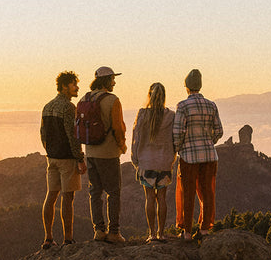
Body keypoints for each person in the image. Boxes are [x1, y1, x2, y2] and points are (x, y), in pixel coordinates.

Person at [173, 69, 223, 240]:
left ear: (186, 87)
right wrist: (209, 141)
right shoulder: (212, 105)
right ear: (200, 86)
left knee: (187, 193)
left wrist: (180, 148)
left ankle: (186, 231)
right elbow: (219, 131)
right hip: (209, 156)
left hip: (188, 156)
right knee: (207, 191)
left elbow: (178, 132)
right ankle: (204, 229)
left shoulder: (183, 106)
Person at [39, 71, 87, 249]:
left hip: (51, 158)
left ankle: (48, 238)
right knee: (68, 198)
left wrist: (49, 150)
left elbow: (43, 133)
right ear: (65, 86)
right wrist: (80, 158)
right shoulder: (68, 108)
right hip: (67, 158)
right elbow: (72, 135)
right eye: (74, 84)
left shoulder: (47, 106)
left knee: (51, 196)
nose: (77, 88)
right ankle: (68, 239)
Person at [82, 67, 128, 243]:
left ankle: (99, 231)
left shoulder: (84, 98)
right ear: (107, 80)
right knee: (113, 192)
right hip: (108, 153)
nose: (114, 82)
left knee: (94, 192)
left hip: (90, 152)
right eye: (112, 79)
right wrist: (122, 146)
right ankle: (114, 232)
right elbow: (118, 127)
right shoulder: (112, 100)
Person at [130, 83, 176, 243]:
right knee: (162, 198)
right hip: (164, 162)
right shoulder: (171, 116)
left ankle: (152, 234)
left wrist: (135, 158)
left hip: (146, 161)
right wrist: (172, 157)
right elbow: (175, 139)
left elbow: (136, 138)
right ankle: (161, 233)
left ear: (149, 95)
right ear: (164, 96)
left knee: (149, 197)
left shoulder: (142, 114)